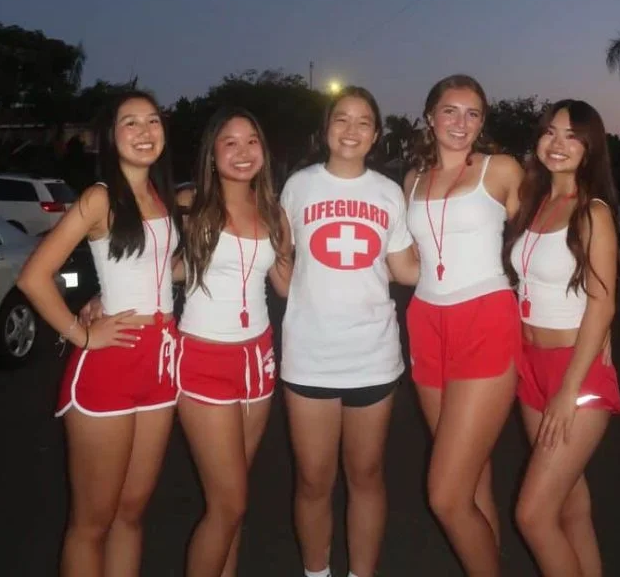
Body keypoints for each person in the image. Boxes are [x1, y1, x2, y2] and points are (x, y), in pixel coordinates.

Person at [17, 91, 180, 577]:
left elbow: (155, 268)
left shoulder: (161, 196)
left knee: (131, 513)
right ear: (111, 136)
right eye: (131, 122)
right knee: (93, 522)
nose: (144, 131)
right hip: (110, 363)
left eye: (152, 120)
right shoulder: (99, 198)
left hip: (161, 363)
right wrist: (82, 335)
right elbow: (34, 277)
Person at [280, 86, 418, 577]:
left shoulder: (388, 193)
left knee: (367, 475)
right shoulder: (298, 187)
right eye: (341, 119)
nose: (351, 130)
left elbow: (406, 269)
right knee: (313, 480)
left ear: (376, 135)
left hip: (373, 354)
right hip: (309, 355)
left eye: (363, 122)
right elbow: (276, 256)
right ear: (326, 129)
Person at [404, 74, 522, 576]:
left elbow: (542, 238)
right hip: (426, 321)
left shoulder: (502, 169)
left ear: (482, 122)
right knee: (473, 478)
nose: (460, 122)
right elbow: (410, 263)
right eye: (450, 111)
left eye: (472, 113)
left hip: (485, 318)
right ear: (430, 117)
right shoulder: (412, 180)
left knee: (446, 495)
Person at [503, 100, 620, 577]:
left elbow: (602, 304)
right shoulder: (535, 205)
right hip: (531, 364)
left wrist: (569, 389)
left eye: (572, 136)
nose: (558, 143)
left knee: (532, 516)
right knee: (570, 505)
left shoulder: (593, 213)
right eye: (550, 132)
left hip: (576, 371)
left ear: (590, 148)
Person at [176, 106, 292, 577]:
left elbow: (286, 284)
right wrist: (104, 296)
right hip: (204, 355)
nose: (243, 152)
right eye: (230, 142)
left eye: (251, 141)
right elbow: (155, 263)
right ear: (212, 153)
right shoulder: (190, 204)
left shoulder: (274, 212)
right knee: (229, 502)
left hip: (258, 357)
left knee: (234, 498)